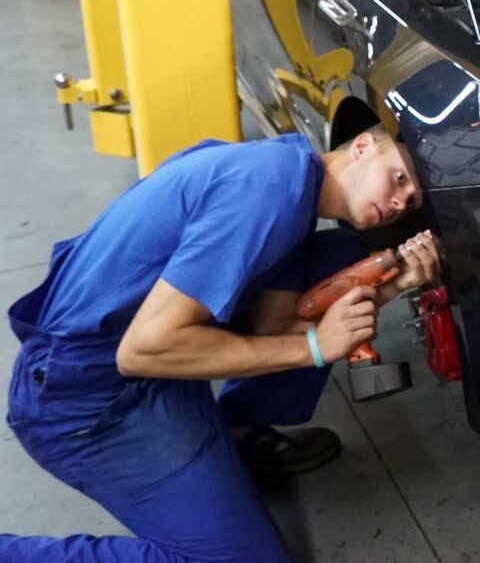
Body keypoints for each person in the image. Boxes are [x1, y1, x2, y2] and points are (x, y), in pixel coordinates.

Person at [1, 126, 440, 561]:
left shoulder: (291, 170)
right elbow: (143, 349)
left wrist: (384, 289)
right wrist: (314, 348)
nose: (401, 202)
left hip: (157, 364)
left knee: (340, 255)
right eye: (399, 177)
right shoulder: (265, 194)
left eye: (413, 200)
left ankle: (237, 433)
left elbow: (273, 330)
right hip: (85, 401)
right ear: (362, 145)